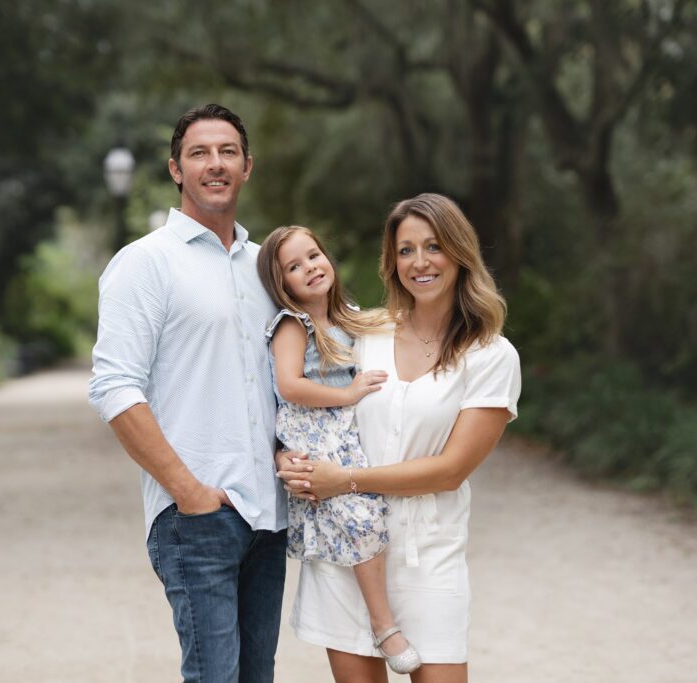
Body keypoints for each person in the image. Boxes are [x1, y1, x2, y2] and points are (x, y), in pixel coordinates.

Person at [278, 193, 522, 682]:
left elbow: (451, 471)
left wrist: (342, 479)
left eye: (433, 246)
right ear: (392, 262)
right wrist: (289, 458)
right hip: (347, 550)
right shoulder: (364, 333)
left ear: (459, 252)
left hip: (428, 554)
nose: (419, 262)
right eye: (405, 250)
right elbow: (305, 405)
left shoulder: (491, 356)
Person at [88, 104, 286, 683]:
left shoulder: (265, 267)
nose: (215, 164)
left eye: (227, 152)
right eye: (199, 153)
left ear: (247, 166)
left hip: (269, 517)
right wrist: (187, 492)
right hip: (196, 519)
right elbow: (114, 387)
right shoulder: (145, 264)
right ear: (176, 168)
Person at [257, 225, 421, 674]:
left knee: (363, 514)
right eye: (294, 266)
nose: (309, 268)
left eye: (313, 256)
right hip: (314, 432)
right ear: (282, 284)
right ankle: (384, 625)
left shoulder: (347, 315)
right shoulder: (294, 324)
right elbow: (290, 385)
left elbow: (390, 329)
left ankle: (379, 616)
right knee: (359, 514)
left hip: (342, 431)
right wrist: (348, 394)